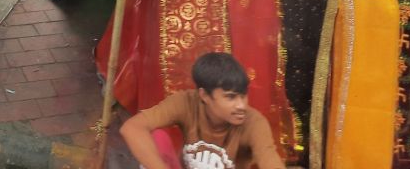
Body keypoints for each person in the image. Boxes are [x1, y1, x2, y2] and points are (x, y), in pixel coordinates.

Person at [120, 52, 286, 169]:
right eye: (230, 97)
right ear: (204, 95)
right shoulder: (185, 102)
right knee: (158, 139)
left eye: (243, 96)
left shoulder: (254, 122)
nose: (241, 105)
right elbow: (132, 128)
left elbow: (270, 161)